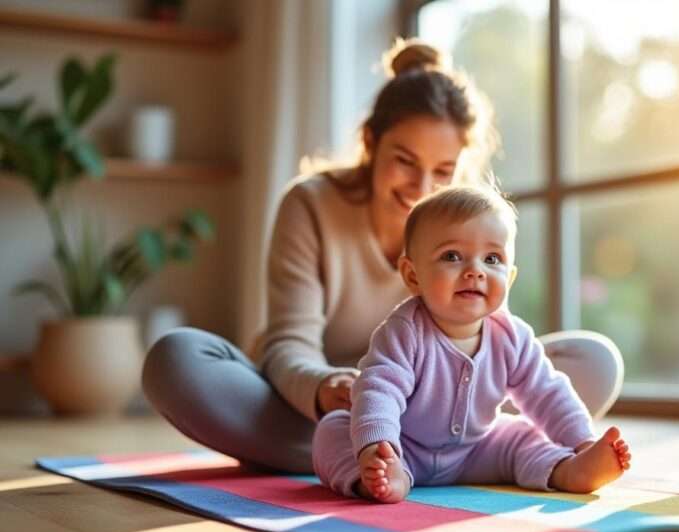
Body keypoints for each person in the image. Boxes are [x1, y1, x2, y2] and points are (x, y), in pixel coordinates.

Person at [141, 39, 624, 474]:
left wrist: (572, 433)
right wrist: (325, 385)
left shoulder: (470, 230)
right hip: (322, 406)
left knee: (594, 361)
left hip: (433, 416)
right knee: (177, 359)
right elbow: (288, 344)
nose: (421, 188)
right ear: (371, 143)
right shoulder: (310, 205)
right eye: (405, 162)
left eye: (442, 170)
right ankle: (358, 450)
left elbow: (497, 340)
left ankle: (401, 456)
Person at [314, 186, 631, 502]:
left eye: (492, 259)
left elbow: (548, 393)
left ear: (509, 277)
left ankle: (570, 470)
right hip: (405, 447)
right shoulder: (404, 330)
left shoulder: (511, 336)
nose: (475, 272)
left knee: (523, 435)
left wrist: (583, 441)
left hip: (479, 450)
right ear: (412, 276)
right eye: (452, 256)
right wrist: (379, 446)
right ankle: (378, 476)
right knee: (334, 431)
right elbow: (379, 390)